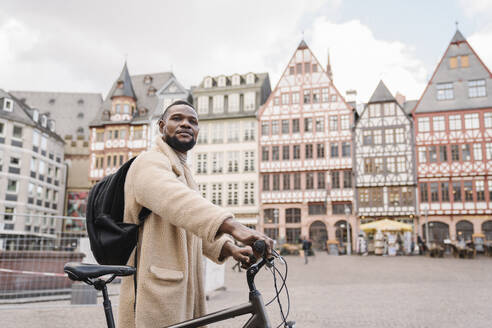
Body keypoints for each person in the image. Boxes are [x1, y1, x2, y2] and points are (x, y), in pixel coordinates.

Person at [117, 100, 272, 328]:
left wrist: (230, 248)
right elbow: (176, 201)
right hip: (155, 291)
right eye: (177, 119)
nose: (186, 124)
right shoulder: (149, 161)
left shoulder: (183, 171)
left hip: (180, 290)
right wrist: (234, 227)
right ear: (161, 126)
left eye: (193, 121)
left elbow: (189, 224)